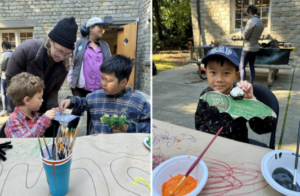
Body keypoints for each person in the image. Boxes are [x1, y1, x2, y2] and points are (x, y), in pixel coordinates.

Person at [5, 17, 78, 137]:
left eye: (67, 54)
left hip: (40, 108)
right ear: (50, 41)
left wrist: (53, 107)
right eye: (59, 51)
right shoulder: (26, 50)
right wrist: (24, 109)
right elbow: (11, 81)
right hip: (23, 106)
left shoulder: (65, 63)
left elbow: (54, 89)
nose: (61, 57)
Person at [195, 46, 275, 143]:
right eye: (213, 72)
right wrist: (207, 138)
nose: (219, 79)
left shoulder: (240, 97)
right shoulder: (205, 95)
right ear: (206, 73)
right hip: (211, 144)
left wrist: (251, 101)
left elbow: (264, 128)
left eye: (226, 73)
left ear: (236, 76)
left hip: (238, 145)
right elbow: (199, 121)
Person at [60, 54, 150, 134]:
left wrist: (127, 128)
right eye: (102, 78)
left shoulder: (139, 102)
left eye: (108, 80)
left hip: (123, 149)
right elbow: (82, 102)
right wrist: (70, 101)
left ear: (123, 82)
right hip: (96, 147)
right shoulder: (95, 96)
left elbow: (149, 127)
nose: (103, 83)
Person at [67, 17, 111, 133]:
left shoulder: (105, 46)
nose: (102, 29)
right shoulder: (80, 44)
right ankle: (68, 137)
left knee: (94, 116)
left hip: (98, 88)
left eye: (102, 27)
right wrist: (70, 80)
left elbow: (109, 66)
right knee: (76, 112)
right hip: (81, 87)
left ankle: (90, 139)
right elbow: (73, 63)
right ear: (91, 28)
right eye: (99, 27)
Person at [5, 73, 56, 138]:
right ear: (27, 100)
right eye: (39, 98)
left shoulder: (35, 115)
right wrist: (44, 120)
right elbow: (24, 141)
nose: (42, 100)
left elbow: (39, 129)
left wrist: (51, 118)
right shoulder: (13, 120)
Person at [240, 4, 264, 84]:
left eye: (247, 13)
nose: (247, 15)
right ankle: (251, 84)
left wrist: (242, 30)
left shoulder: (251, 21)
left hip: (248, 48)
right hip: (255, 48)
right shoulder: (260, 22)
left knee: (242, 66)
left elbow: (245, 36)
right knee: (251, 67)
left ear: (250, 11)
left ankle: (242, 86)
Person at [0, 41, 13, 116]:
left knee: (3, 93)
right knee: (10, 92)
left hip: (5, 76)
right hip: (13, 76)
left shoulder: (4, 54)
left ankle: (5, 109)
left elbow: (1, 66)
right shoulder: (13, 53)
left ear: (4, 46)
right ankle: (11, 109)